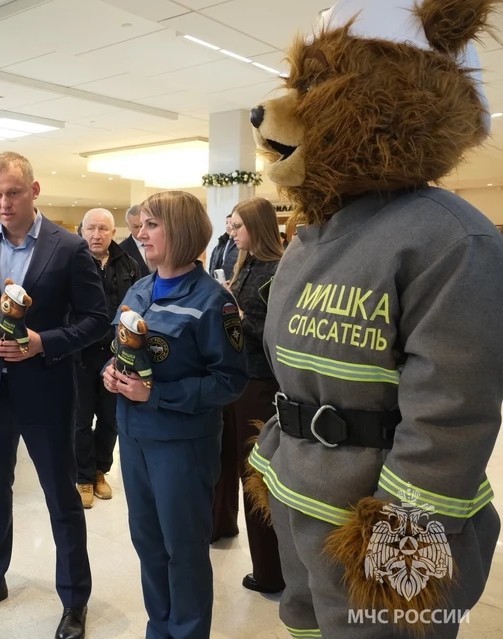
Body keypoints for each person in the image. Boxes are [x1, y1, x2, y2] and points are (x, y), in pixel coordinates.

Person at [246, 2, 503, 637]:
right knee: (304, 626)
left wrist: (400, 547)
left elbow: (452, 416)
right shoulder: (312, 235)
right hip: (301, 498)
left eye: (315, 88)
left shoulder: (448, 238)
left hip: (380, 526)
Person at [0, 152, 108, 639]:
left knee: (62, 500)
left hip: (47, 394)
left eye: (12, 193)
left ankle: (74, 601)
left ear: (33, 191)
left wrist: (42, 342)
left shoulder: (70, 247)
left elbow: (96, 320)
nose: (2, 203)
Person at [103, 191, 248, 639]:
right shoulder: (139, 288)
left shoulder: (212, 302)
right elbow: (122, 349)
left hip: (181, 444)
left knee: (182, 550)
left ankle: (185, 633)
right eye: (140, 225)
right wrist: (110, 372)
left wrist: (158, 395)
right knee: (148, 545)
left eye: (150, 225)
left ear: (180, 231)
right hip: (133, 438)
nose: (139, 234)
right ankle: (159, 629)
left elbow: (230, 381)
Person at [209, 198, 285, 595]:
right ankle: (220, 525)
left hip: (260, 383)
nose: (232, 233)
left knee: (254, 474)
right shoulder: (244, 263)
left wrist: (240, 317)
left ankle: (270, 571)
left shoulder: (279, 269)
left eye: (238, 226)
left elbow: (280, 328)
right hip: (233, 378)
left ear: (258, 227)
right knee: (222, 459)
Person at [74, 208, 139, 508]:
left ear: (114, 233)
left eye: (103, 229)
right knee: (80, 418)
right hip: (79, 353)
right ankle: (83, 476)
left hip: (116, 355)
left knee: (111, 419)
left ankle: (101, 470)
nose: (96, 235)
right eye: (91, 229)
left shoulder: (129, 264)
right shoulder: (70, 261)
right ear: (82, 230)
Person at [119, 204, 149, 274]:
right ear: (128, 226)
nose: (141, 230)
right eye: (136, 227)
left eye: (142, 225)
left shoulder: (161, 243)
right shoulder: (121, 251)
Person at [207, 214, 238, 281]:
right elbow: (213, 263)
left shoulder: (239, 245)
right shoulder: (221, 243)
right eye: (227, 223)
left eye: (231, 223)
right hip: (217, 282)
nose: (228, 226)